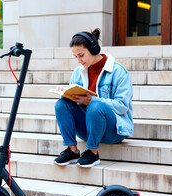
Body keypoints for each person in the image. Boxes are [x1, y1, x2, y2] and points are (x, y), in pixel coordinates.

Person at [54, 28, 133, 168]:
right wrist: (68, 95)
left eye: (81, 55)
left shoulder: (118, 72)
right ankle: (72, 150)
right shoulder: (78, 72)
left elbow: (122, 106)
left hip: (113, 131)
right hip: (89, 128)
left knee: (95, 106)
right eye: (75, 56)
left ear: (94, 49)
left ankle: (92, 153)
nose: (79, 60)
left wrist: (93, 101)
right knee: (61, 104)